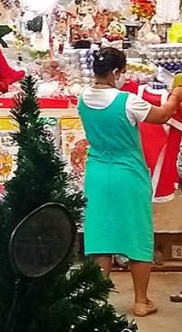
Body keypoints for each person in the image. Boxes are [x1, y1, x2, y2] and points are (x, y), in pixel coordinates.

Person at [78, 47, 182, 317]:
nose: (124, 77)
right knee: (137, 235)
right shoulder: (127, 101)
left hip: (97, 172)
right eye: (122, 72)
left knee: (100, 237)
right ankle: (140, 300)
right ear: (115, 72)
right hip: (129, 174)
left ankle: (97, 301)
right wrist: (175, 95)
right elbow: (161, 115)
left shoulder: (83, 98)